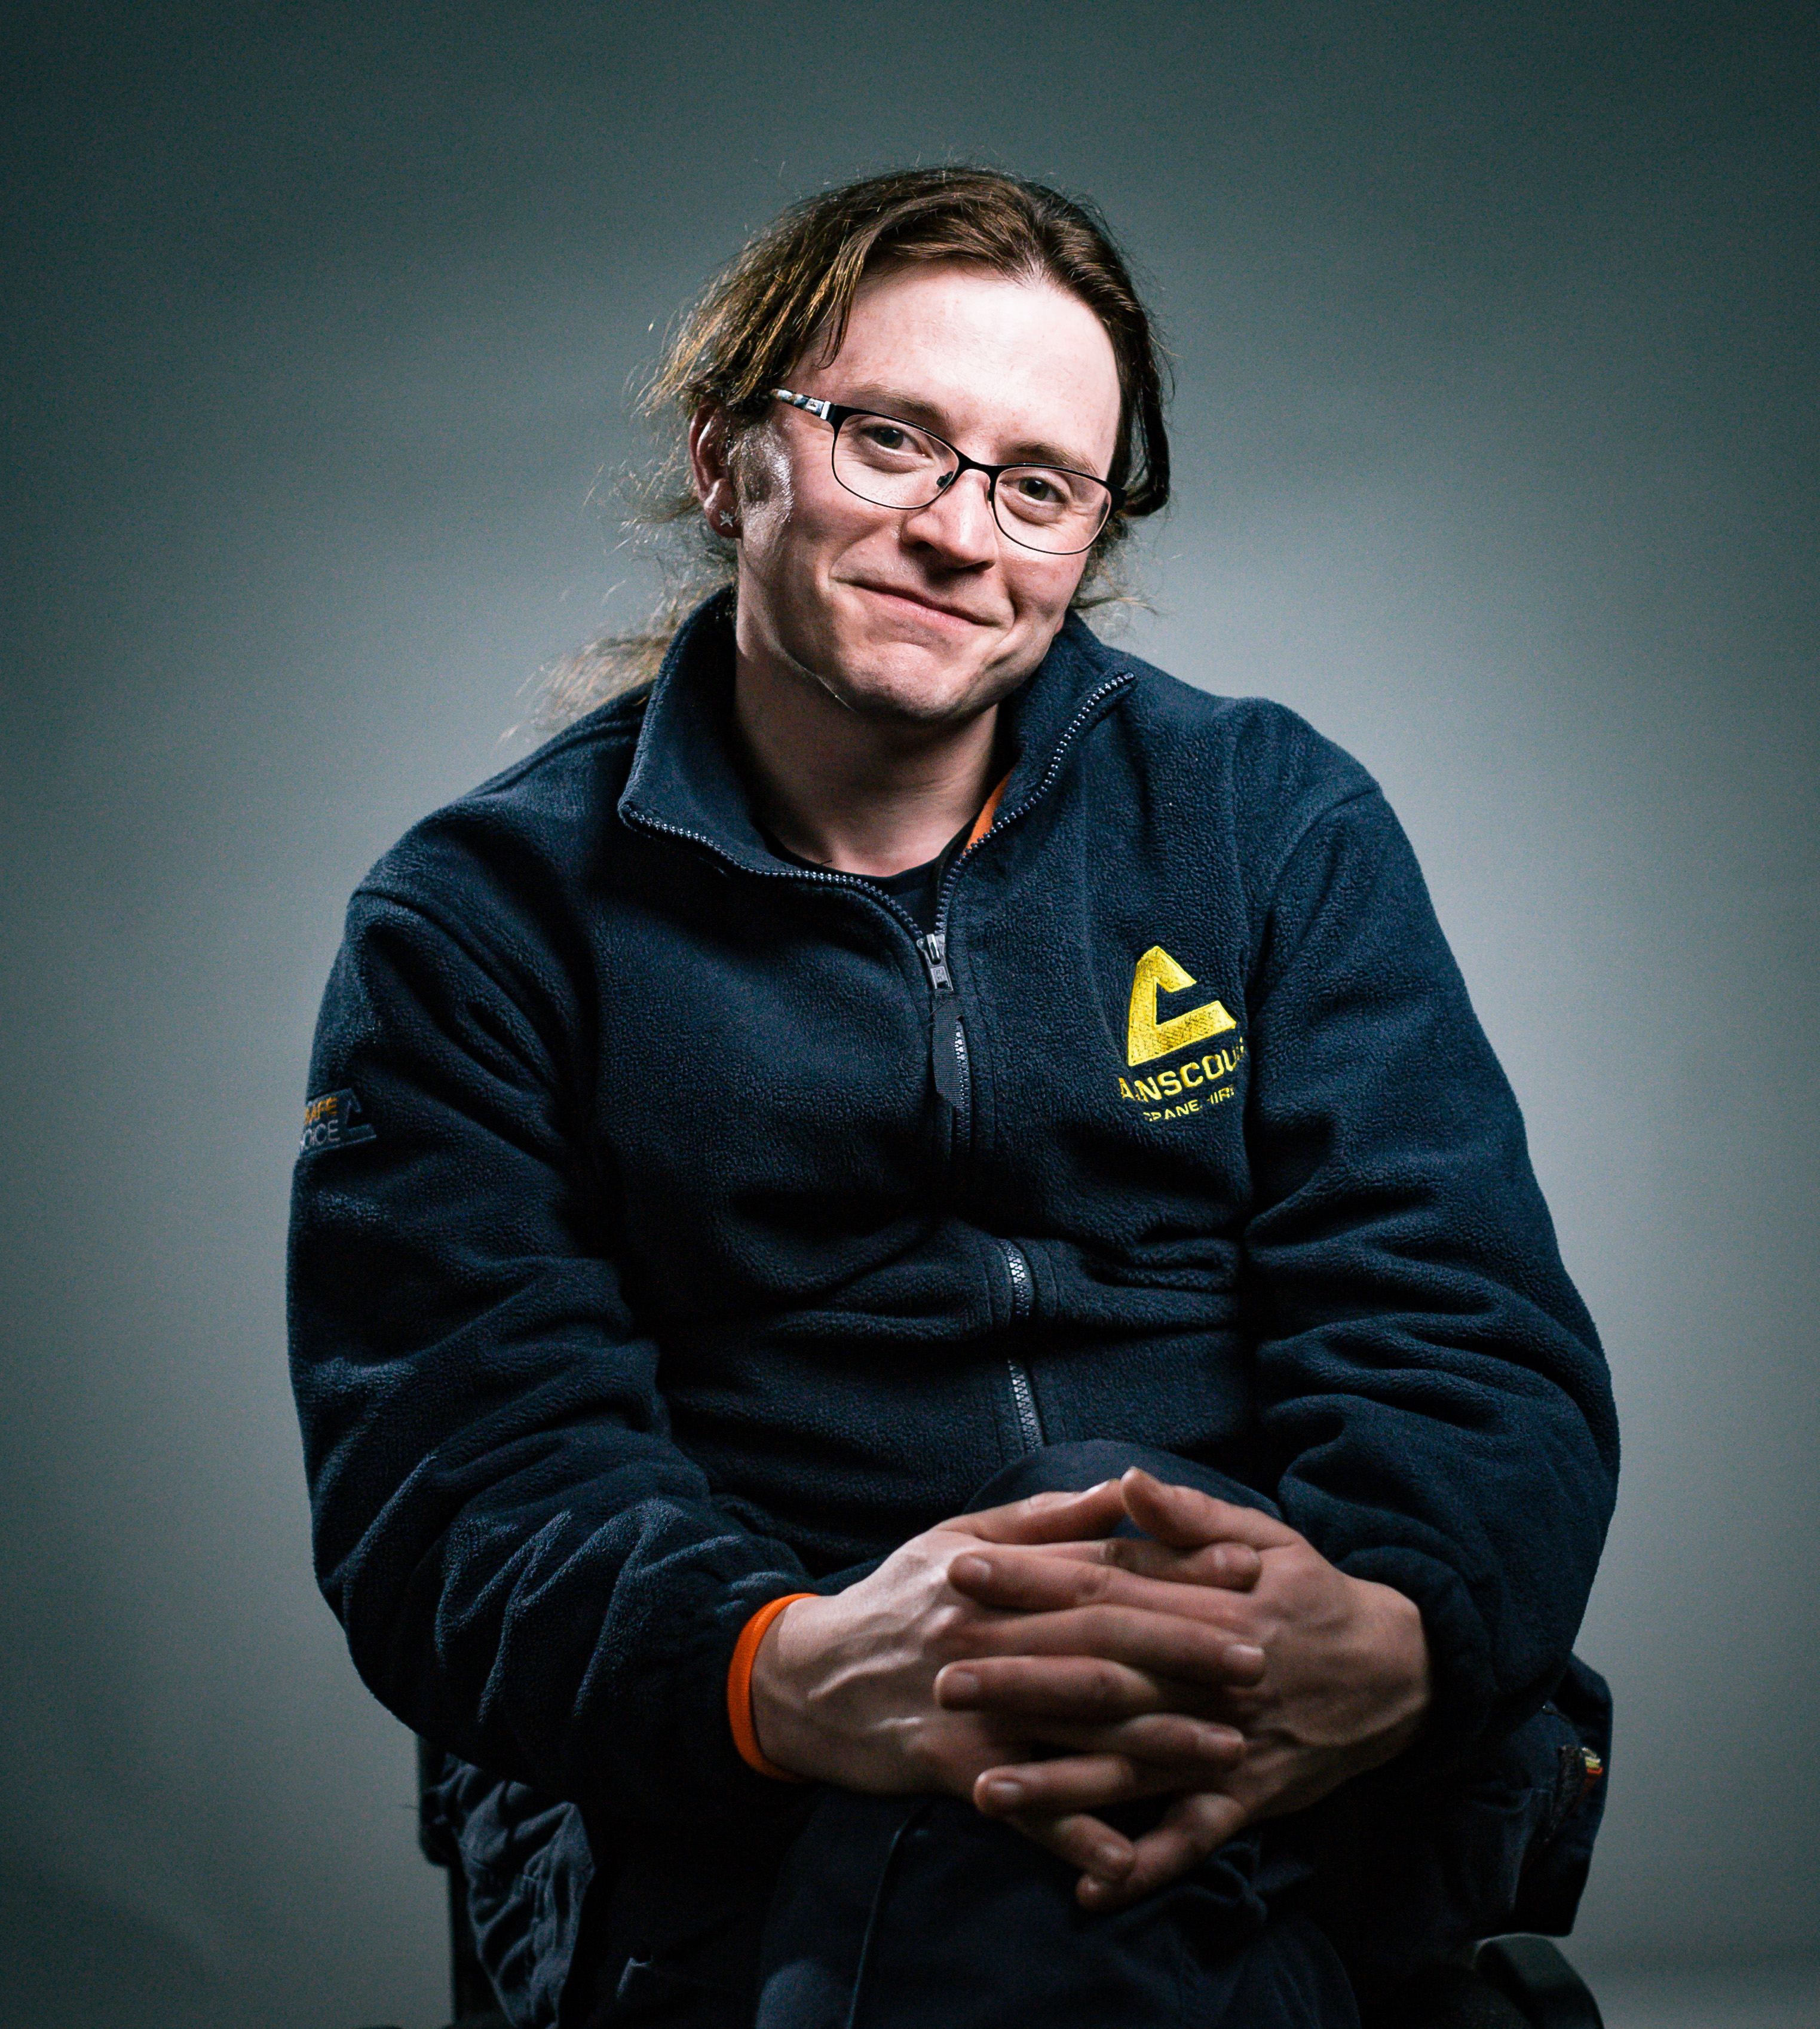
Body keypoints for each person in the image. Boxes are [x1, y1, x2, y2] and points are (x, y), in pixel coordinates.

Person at [287, 167, 1616, 2028]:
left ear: (1089, 533)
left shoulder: (1267, 821)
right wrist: (789, 1666)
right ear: (727, 455)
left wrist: (1390, 1628)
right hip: (746, 1793)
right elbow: (461, 1477)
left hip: (1280, 1760)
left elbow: (1465, 1334)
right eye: (890, 440)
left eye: (1036, 483)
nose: (956, 534)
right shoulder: (482, 923)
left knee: (1104, 1570)